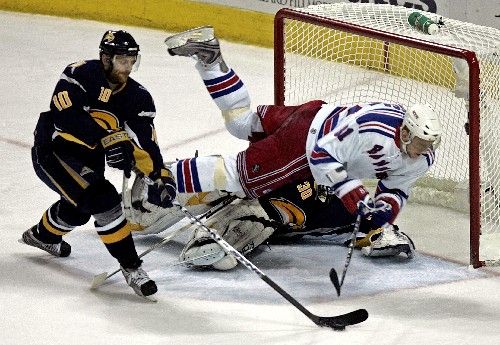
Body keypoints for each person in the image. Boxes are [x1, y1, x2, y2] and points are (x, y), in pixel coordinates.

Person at [154, 26, 441, 270]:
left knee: (241, 123)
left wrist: (378, 220)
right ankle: (160, 174)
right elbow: (320, 156)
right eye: (418, 142)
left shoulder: (421, 158)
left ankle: (211, 60)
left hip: (311, 115)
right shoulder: (371, 130)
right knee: (240, 176)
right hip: (306, 141)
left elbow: (396, 188)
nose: (421, 149)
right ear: (404, 132)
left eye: (428, 144)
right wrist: (350, 190)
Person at [20, 30, 176, 297]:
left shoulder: (138, 97)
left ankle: (42, 236)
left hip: (89, 158)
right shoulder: (79, 74)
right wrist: (109, 140)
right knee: (103, 200)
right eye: (121, 61)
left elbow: (145, 144)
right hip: (54, 150)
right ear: (105, 58)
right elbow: (65, 118)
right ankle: (132, 268)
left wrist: (160, 176)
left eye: (132, 61)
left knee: (79, 211)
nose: (127, 68)